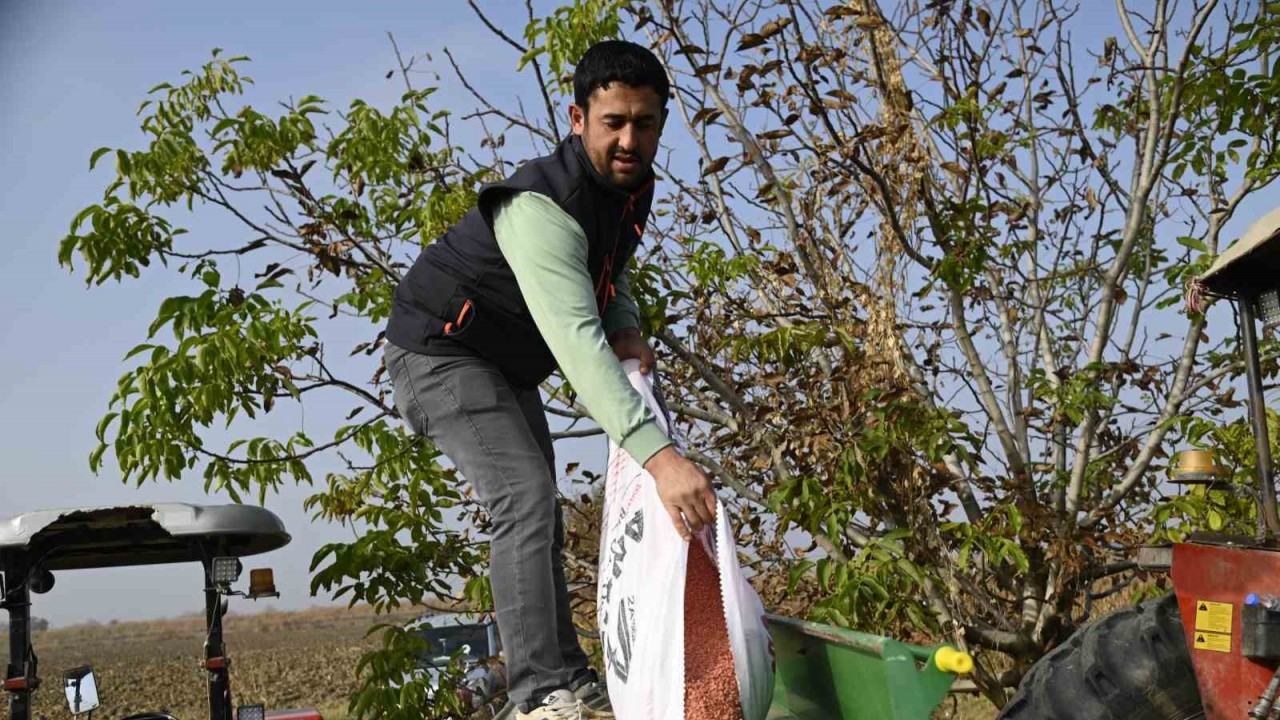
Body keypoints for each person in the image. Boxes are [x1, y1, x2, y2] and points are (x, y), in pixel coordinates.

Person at [383, 40, 718, 720]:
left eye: (645, 123)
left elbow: (609, 268)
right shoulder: (542, 207)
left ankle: (569, 673)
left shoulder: (629, 186)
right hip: (440, 352)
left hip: (503, 363)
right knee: (524, 498)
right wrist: (660, 458)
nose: (630, 139)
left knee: (542, 509)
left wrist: (625, 317)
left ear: (661, 124)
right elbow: (576, 345)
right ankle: (537, 696)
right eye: (613, 122)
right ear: (577, 119)